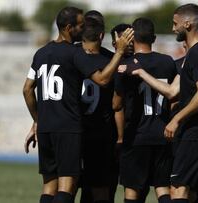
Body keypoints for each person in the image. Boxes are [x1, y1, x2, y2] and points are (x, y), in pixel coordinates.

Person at [23, 6, 133, 203]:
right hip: (71, 127)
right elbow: (102, 80)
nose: (83, 29)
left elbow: (27, 89)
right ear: (68, 27)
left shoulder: (41, 53)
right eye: (80, 25)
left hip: (46, 127)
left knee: (49, 186)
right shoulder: (76, 54)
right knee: (69, 186)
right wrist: (120, 52)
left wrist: (37, 120)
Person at [132, 4, 198, 203]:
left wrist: (176, 118)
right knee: (185, 190)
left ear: (187, 23)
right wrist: (141, 73)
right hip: (191, 131)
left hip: (197, 132)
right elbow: (171, 91)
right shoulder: (192, 55)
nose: (172, 28)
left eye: (175, 23)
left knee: (178, 190)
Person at [116, 17, 177, 203]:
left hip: (136, 135)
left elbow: (116, 104)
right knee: (162, 187)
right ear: (154, 38)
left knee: (132, 191)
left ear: (132, 38)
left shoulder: (126, 64)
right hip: (162, 134)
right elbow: (174, 99)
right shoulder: (167, 62)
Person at [78, 12, 123, 203]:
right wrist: (120, 137)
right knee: (102, 189)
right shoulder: (112, 60)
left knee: (66, 185)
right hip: (101, 132)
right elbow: (117, 103)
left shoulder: (71, 55)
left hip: (74, 129)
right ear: (102, 35)